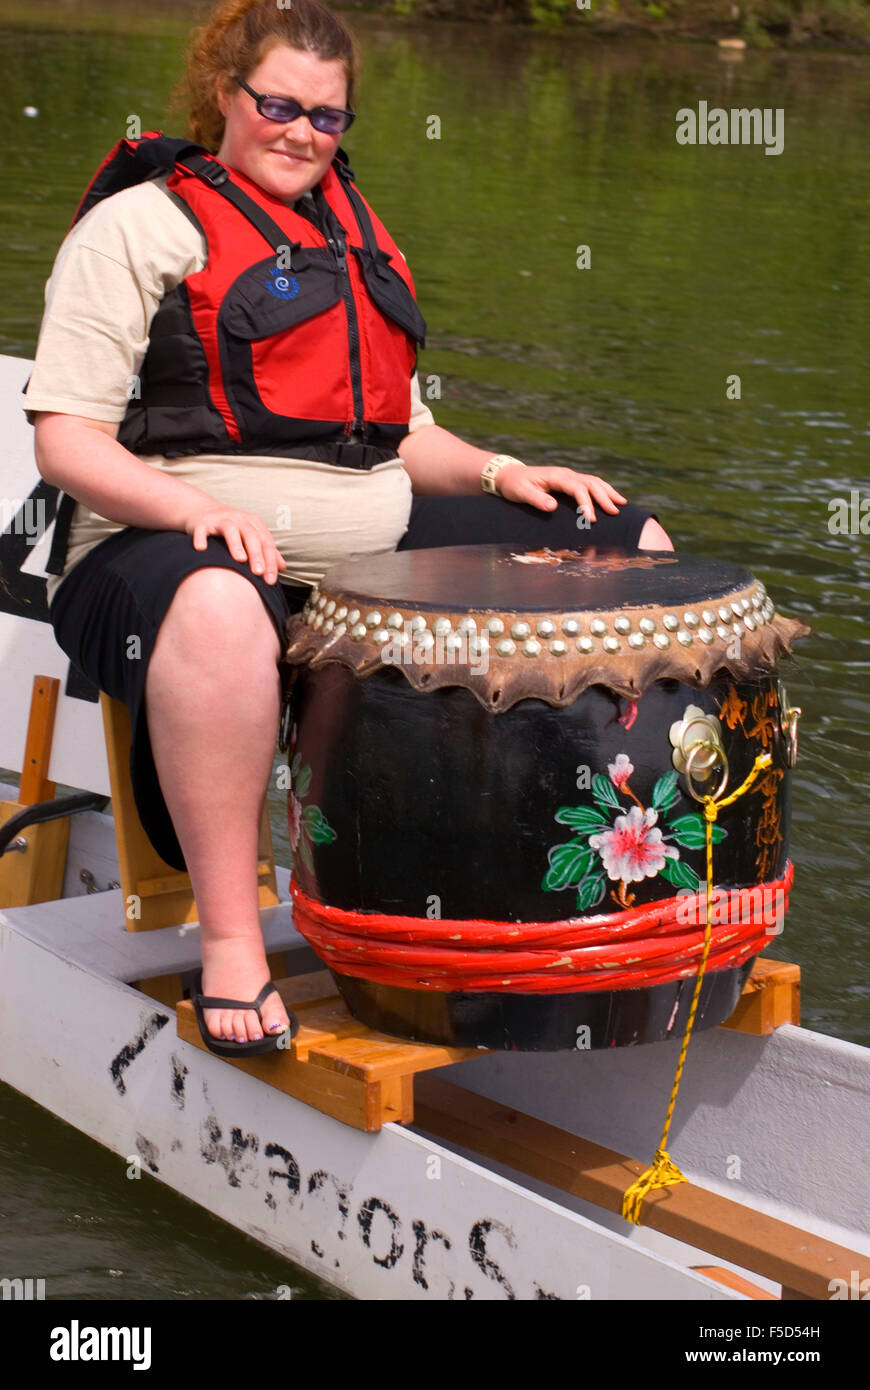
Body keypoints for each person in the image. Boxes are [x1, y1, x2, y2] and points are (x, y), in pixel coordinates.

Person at [23, 0, 673, 1056]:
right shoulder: (136, 228)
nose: (302, 133)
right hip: (155, 541)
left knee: (619, 540)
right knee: (225, 603)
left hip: (364, 532)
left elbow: (404, 436)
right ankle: (235, 945)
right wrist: (199, 509)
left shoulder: (353, 231)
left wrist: (509, 471)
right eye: (278, 104)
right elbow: (69, 443)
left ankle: (571, 895)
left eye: (328, 116)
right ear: (223, 99)